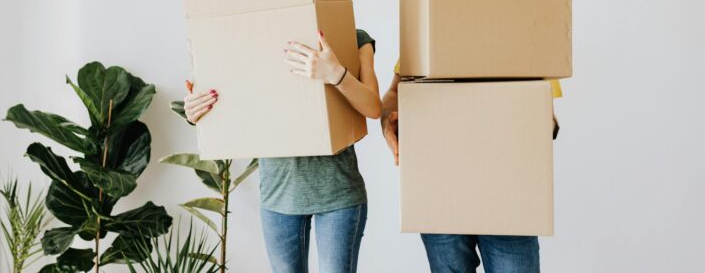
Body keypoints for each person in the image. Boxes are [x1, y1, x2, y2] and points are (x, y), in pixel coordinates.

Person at [183, 29, 381, 273]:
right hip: (278, 195)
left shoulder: (354, 38)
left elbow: (373, 107)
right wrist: (197, 111)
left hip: (338, 193)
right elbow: (229, 97)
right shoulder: (251, 38)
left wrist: (336, 74)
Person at [380, 60, 561, 273]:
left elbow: (544, 108)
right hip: (440, 190)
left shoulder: (524, 37)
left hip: (507, 194)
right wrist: (387, 122)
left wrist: (540, 124)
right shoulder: (430, 31)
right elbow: (394, 91)